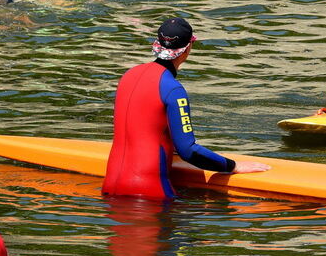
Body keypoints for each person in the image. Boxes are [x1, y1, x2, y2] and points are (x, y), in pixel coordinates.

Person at [103, 18, 270, 199]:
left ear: (157, 44)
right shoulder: (173, 89)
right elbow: (188, 151)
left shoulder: (129, 75)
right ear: (188, 48)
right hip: (150, 193)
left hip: (110, 187)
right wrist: (233, 166)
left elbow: (144, 125)